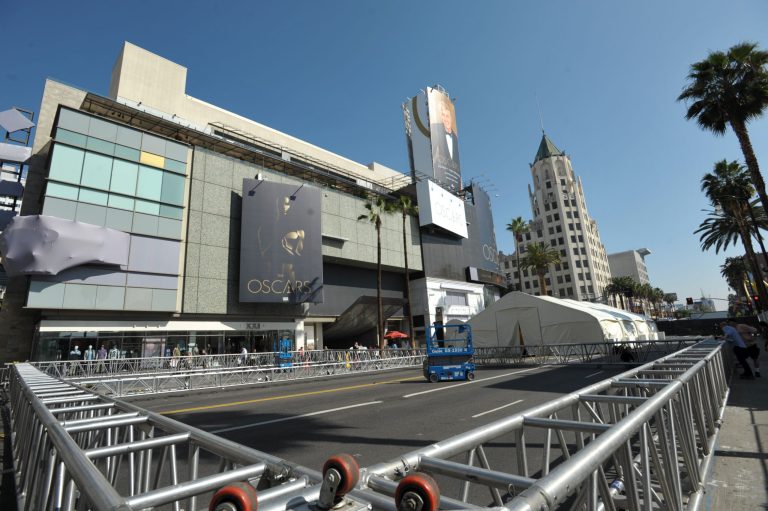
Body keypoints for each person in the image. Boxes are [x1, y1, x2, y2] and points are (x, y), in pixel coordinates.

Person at [429, 94, 461, 189]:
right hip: (439, 179)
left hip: (454, 183)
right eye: (443, 115)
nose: (445, 119)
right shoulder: (435, 132)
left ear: (451, 118)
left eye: (447, 116)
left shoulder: (455, 138)